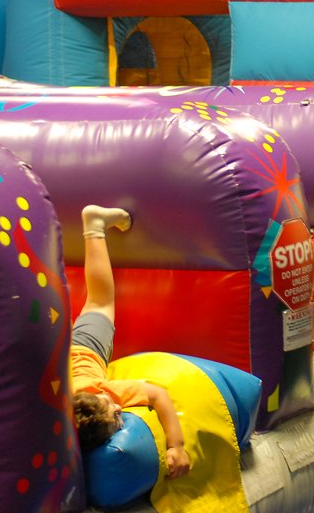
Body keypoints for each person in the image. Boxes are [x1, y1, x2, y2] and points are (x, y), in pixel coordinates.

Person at [70, 204, 192, 478]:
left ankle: (95, 227)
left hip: (87, 346)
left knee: (100, 300)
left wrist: (177, 446)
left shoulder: (103, 389)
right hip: (63, 350)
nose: (118, 409)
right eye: (117, 416)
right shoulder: (60, 403)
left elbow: (158, 394)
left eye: (113, 412)